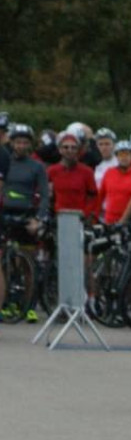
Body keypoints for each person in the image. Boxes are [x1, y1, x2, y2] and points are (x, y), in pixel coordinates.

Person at [0, 124, 49, 322]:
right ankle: (7, 303)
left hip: (26, 216)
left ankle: (29, 304)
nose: (20, 146)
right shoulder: (5, 161)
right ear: (11, 143)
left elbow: (45, 195)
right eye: (17, 142)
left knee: (28, 263)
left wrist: (38, 219)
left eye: (25, 143)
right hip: (5, 214)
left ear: (30, 145)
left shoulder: (37, 166)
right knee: (5, 264)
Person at [97, 141, 131, 226]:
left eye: (127, 154)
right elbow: (100, 196)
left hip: (130, 220)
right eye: (121, 154)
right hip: (110, 219)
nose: (124, 157)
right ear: (116, 156)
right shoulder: (109, 172)